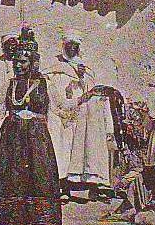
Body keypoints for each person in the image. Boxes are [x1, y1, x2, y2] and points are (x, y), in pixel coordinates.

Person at [0, 26, 62, 225]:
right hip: (12, 137)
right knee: (13, 178)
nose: (18, 65)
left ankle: (41, 224)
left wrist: (87, 95)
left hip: (36, 138)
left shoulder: (45, 84)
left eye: (23, 61)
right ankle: (15, 224)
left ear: (33, 62)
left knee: (38, 177)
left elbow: (63, 106)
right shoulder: (9, 84)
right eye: (16, 61)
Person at [44, 30, 116, 201]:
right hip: (61, 115)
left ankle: (90, 187)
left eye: (75, 47)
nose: (71, 50)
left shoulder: (85, 69)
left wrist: (82, 78)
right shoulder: (55, 69)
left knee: (80, 152)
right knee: (62, 151)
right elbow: (54, 92)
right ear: (64, 48)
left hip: (80, 117)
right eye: (68, 47)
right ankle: (62, 188)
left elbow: (90, 92)